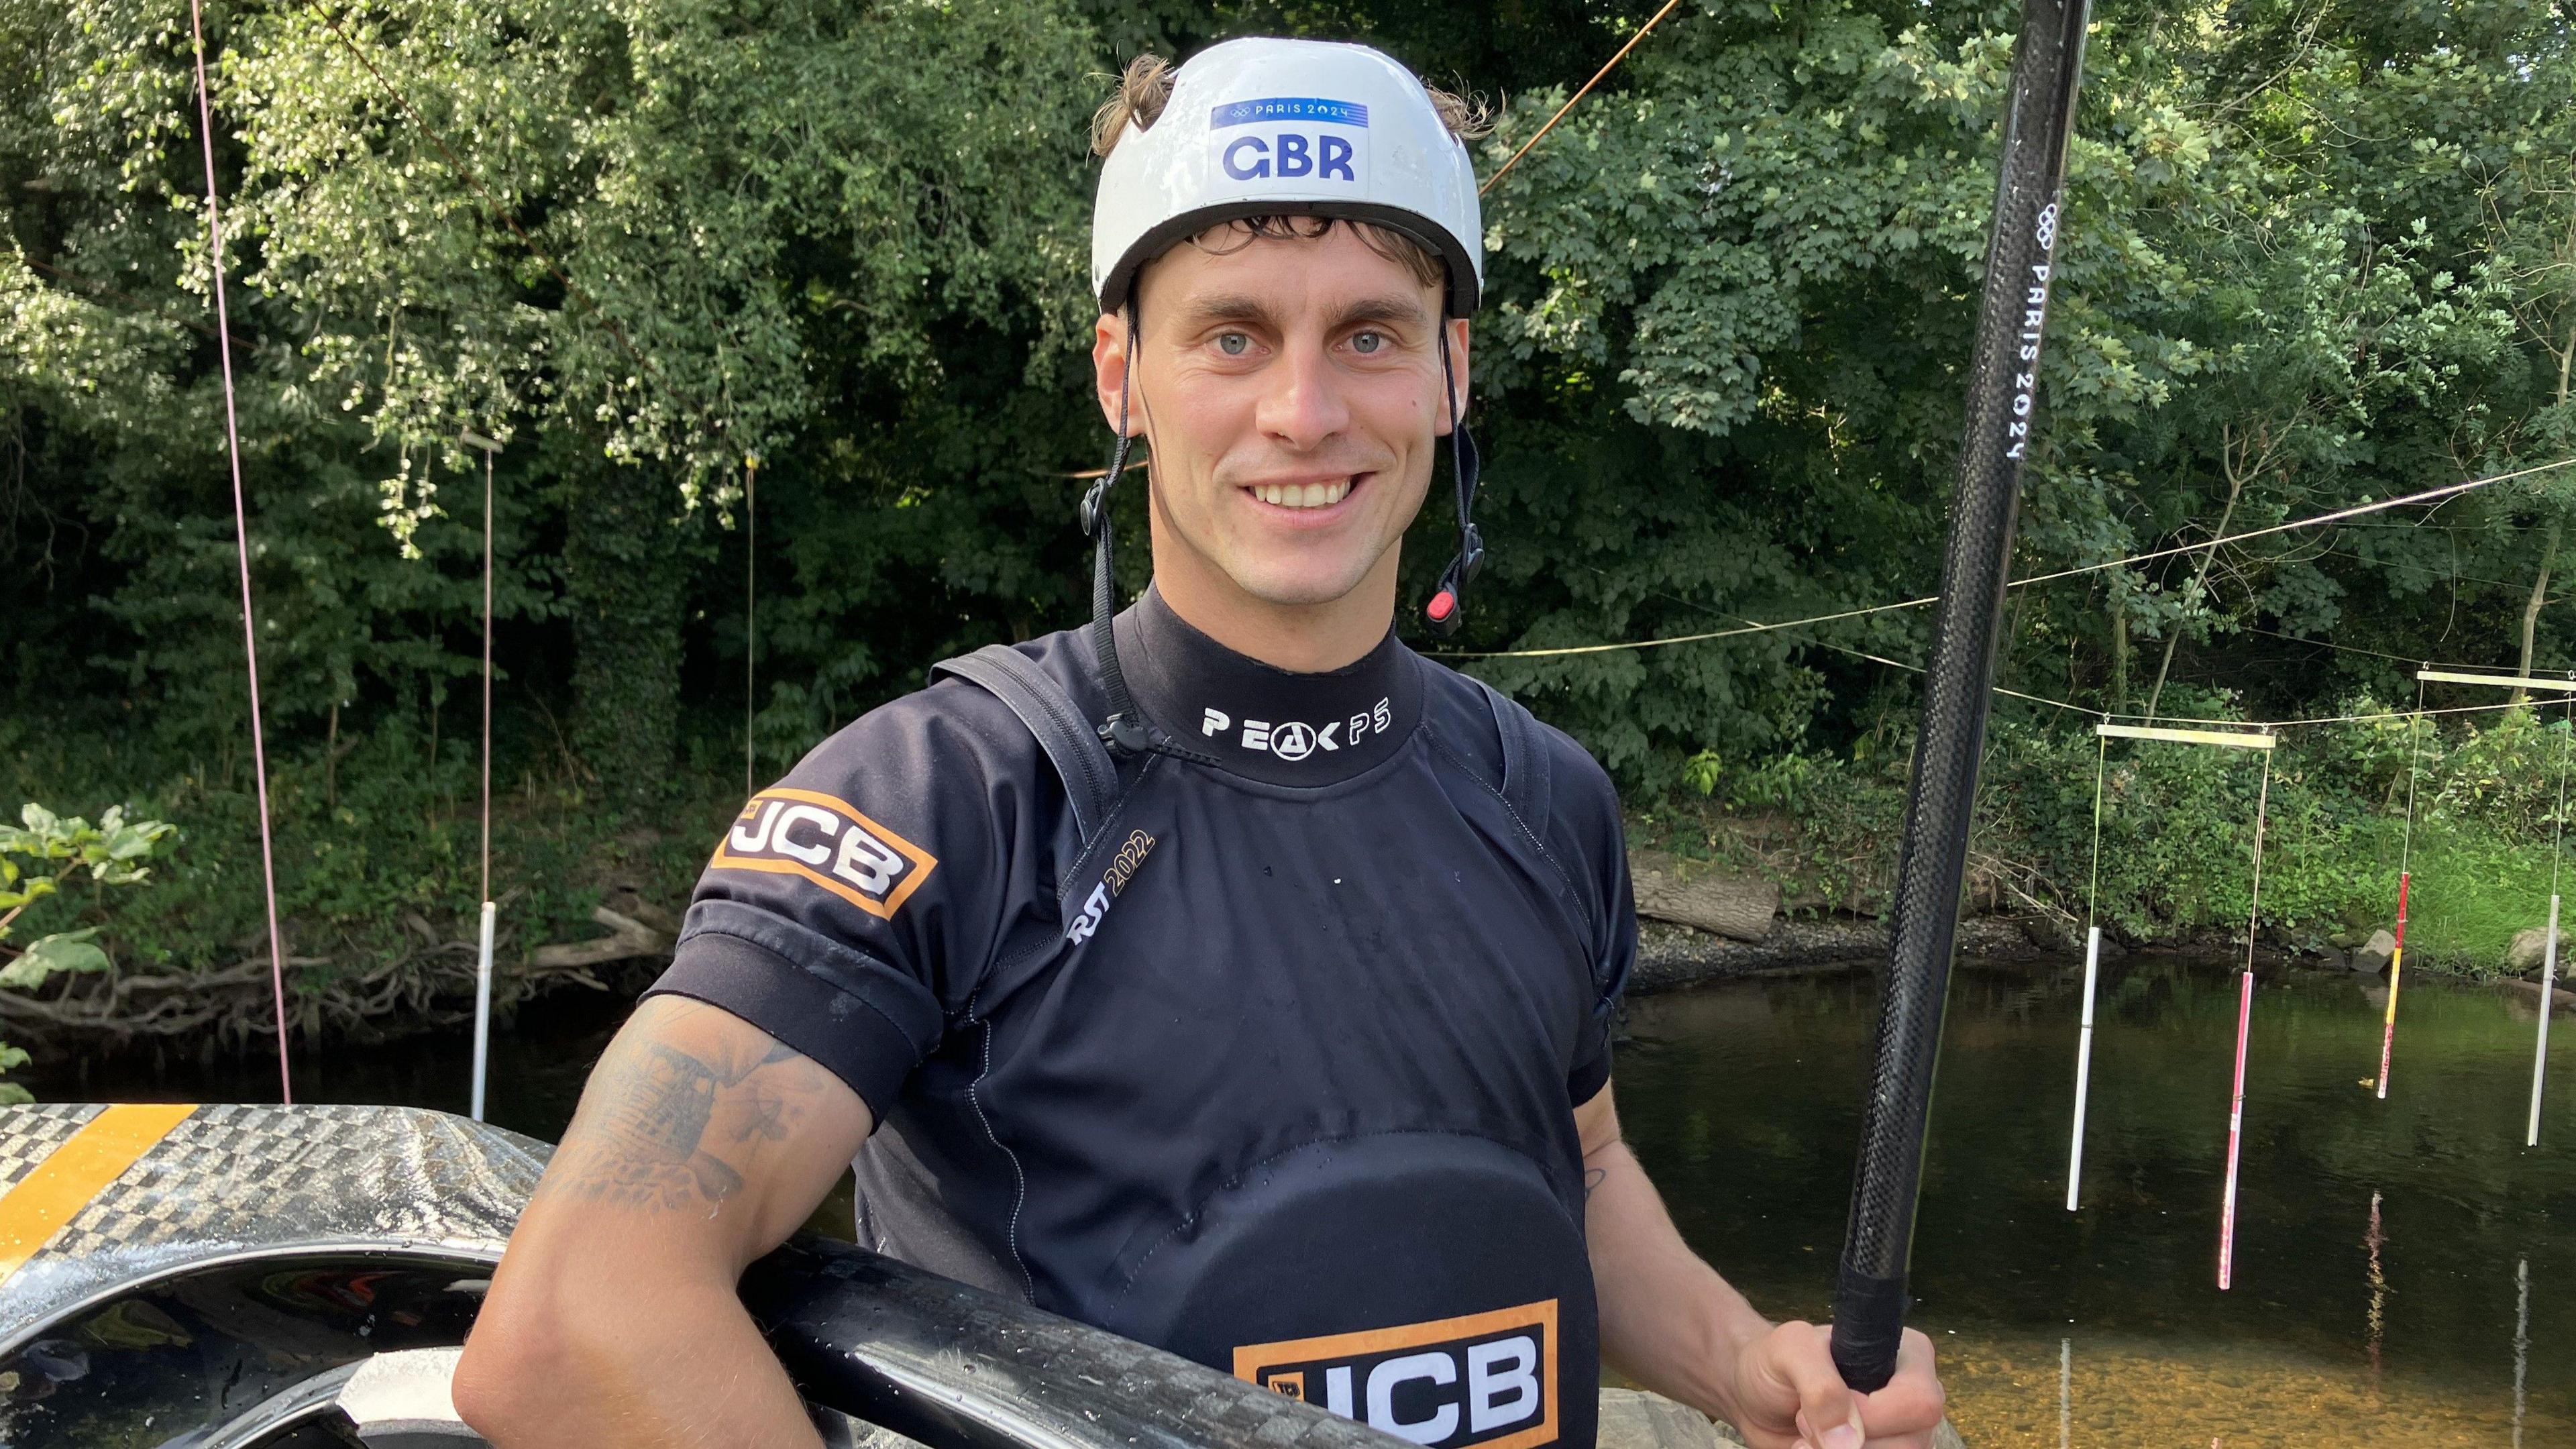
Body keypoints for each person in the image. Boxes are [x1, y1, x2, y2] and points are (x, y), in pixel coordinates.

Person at [453, 38, 1945, 1449]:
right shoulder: (941, 803)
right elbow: (583, 1320)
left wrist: (1746, 1363)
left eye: (1370, 334)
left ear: (1452, 376)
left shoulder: (1540, 797)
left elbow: (1583, 1173)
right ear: (1124, 376)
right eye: (1233, 336)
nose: (1303, 411)